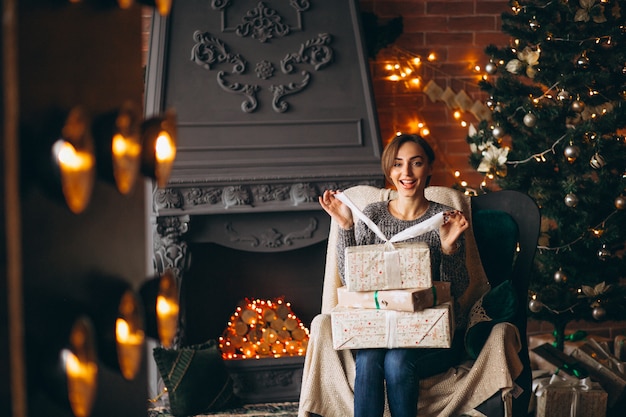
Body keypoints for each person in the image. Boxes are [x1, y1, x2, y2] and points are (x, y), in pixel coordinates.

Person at [318, 134, 471, 417]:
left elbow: (458, 287)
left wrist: (449, 249)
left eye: (416, 163)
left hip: (427, 335)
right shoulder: (372, 215)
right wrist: (346, 227)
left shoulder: (445, 218)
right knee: (368, 360)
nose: (407, 173)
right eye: (398, 164)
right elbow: (353, 281)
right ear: (389, 171)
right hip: (378, 329)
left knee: (398, 361)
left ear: (429, 168)